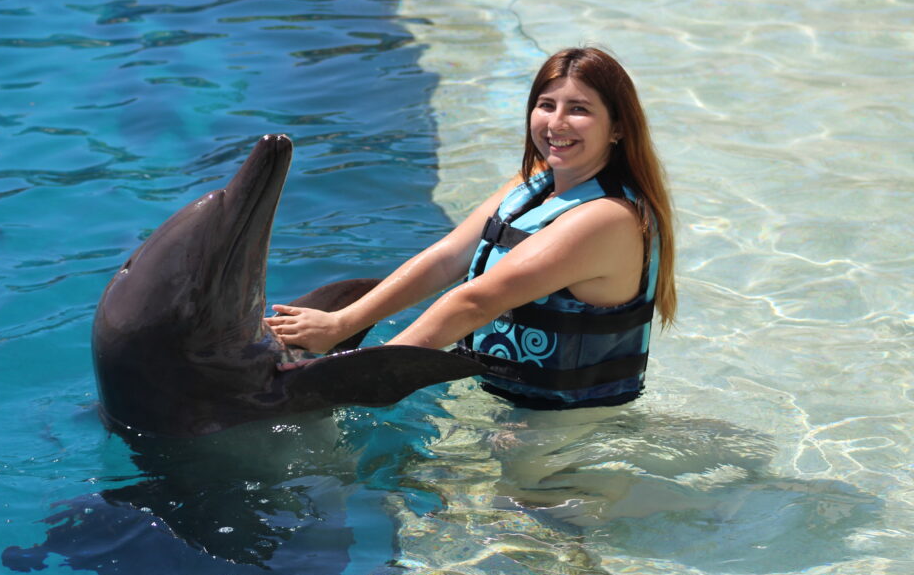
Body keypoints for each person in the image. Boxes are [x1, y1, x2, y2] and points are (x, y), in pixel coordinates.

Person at [265, 46, 675, 410]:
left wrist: (357, 377)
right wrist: (342, 324)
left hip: (563, 432)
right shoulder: (532, 186)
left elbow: (476, 302)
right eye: (546, 105)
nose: (557, 123)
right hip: (507, 402)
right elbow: (447, 260)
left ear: (618, 128)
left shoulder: (607, 218)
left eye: (579, 109)